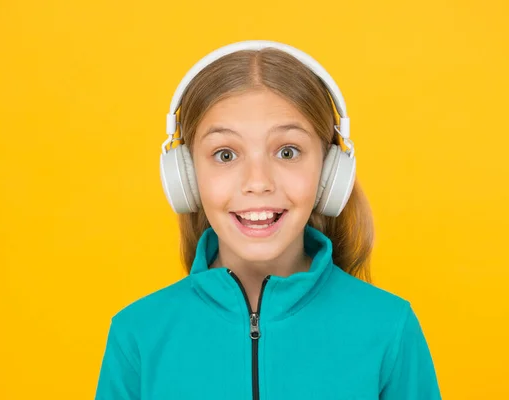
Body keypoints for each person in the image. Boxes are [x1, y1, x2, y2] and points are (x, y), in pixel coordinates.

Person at [94, 41, 441, 400]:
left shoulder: (389, 327)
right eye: (225, 154)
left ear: (330, 171)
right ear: (186, 175)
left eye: (287, 151)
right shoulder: (138, 334)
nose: (257, 182)